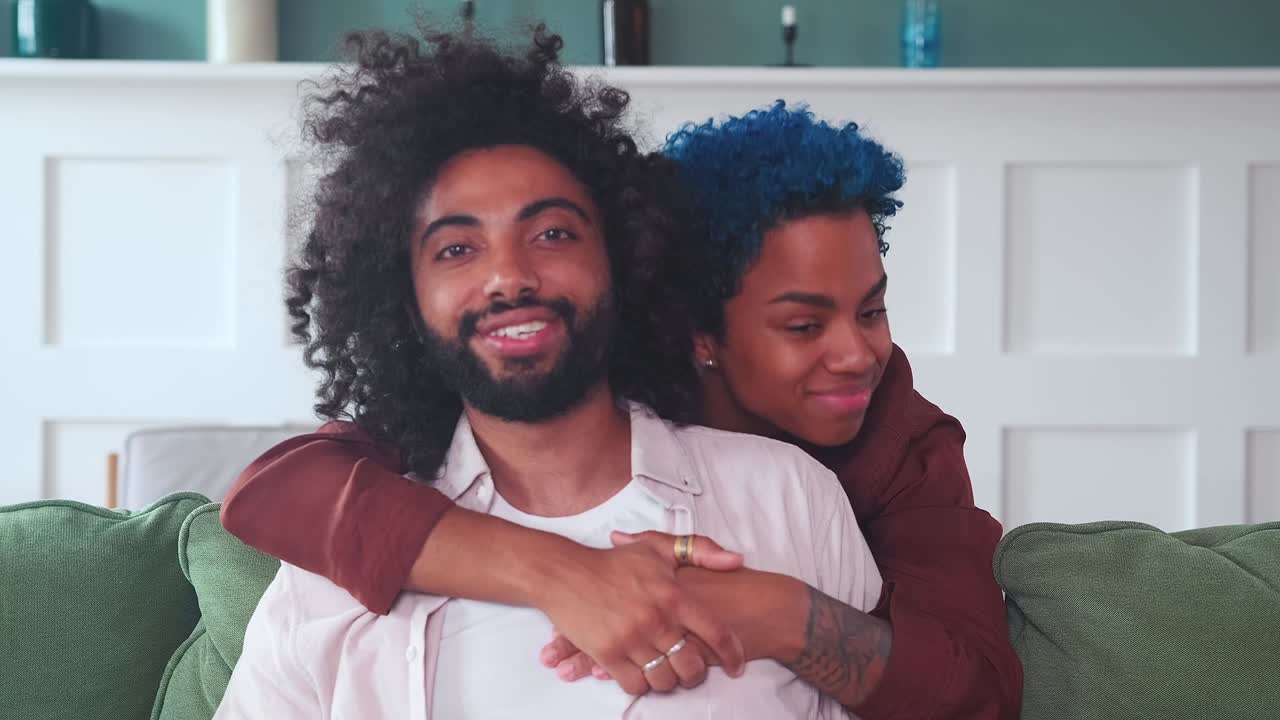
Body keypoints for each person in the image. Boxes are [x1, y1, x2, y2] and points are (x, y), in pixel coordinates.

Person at [221, 31, 1022, 720]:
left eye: (554, 233)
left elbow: (973, 695)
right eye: (457, 248)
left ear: (622, 260)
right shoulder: (359, 541)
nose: (855, 356)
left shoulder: (841, 469)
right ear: (697, 330)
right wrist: (563, 574)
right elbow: (275, 489)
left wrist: (778, 613)